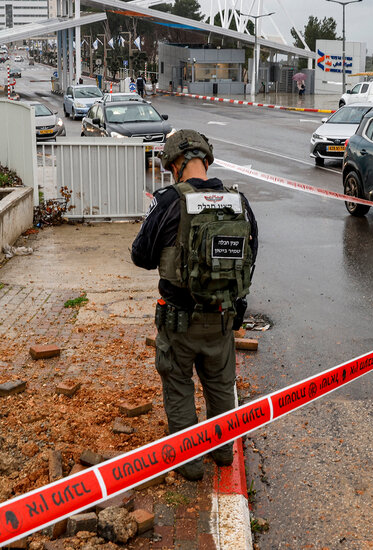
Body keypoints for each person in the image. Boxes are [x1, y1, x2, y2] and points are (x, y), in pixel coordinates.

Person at [131, 130, 259, 481]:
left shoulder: (168, 200)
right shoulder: (238, 202)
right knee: (220, 388)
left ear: (175, 164)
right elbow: (251, 255)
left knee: (179, 387)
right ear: (206, 160)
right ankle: (221, 453)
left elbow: (140, 256)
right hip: (221, 319)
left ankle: (188, 464)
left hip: (178, 323)